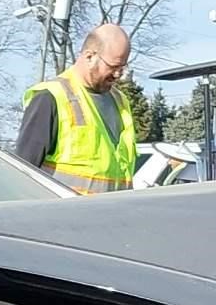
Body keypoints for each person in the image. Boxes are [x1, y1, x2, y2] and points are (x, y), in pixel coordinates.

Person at [15, 24, 139, 193]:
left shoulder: (120, 102)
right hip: (61, 215)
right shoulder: (50, 98)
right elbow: (22, 172)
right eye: (113, 67)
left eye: (122, 67)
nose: (118, 74)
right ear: (89, 56)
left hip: (112, 215)